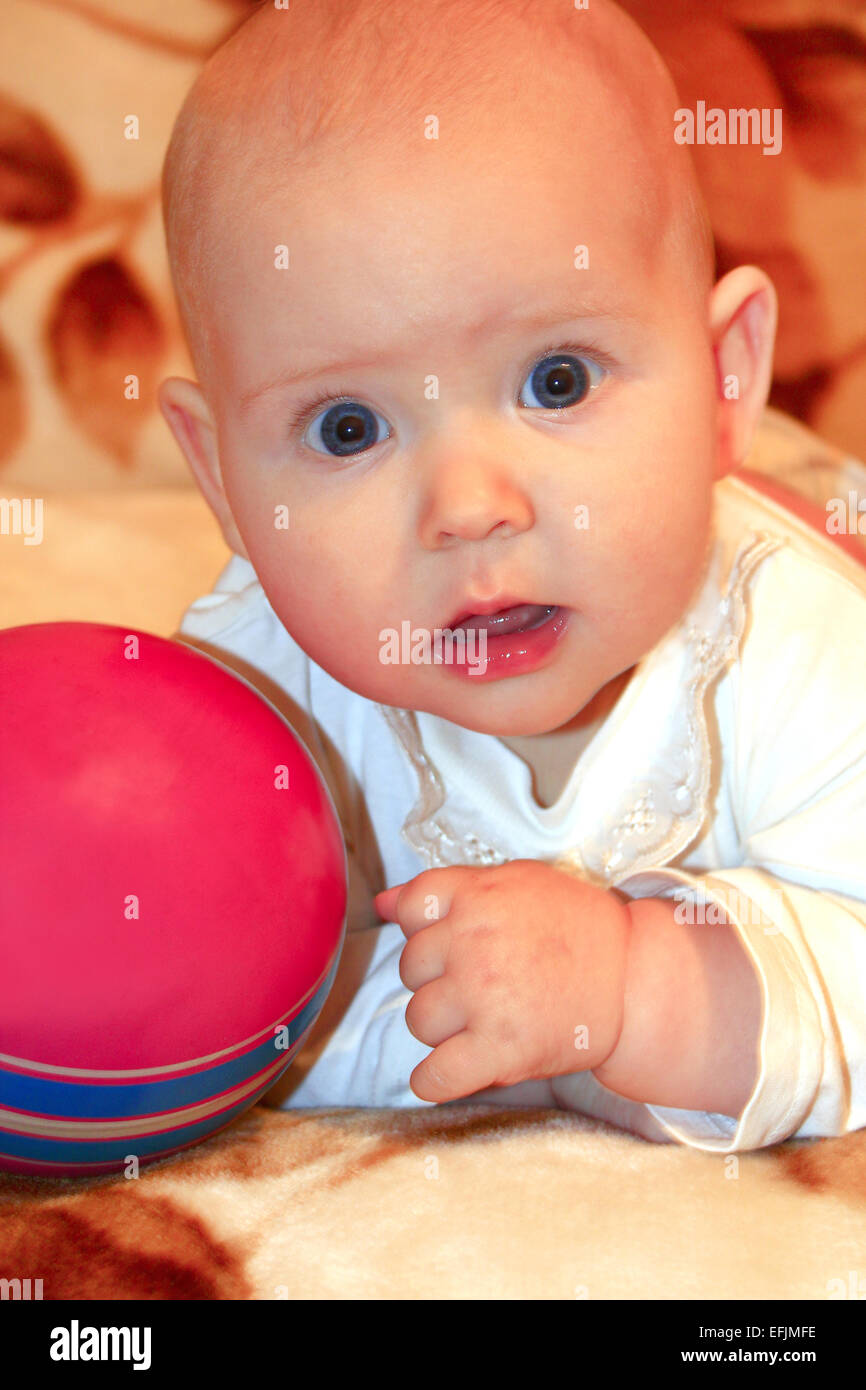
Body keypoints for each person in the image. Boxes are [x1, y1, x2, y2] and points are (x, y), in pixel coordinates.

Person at [158, 0, 866, 1152]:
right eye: (347, 428)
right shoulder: (252, 699)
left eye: (554, 380)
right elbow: (204, 994)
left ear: (723, 376)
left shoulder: (796, 656)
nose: (469, 506)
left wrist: (636, 992)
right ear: (227, 482)